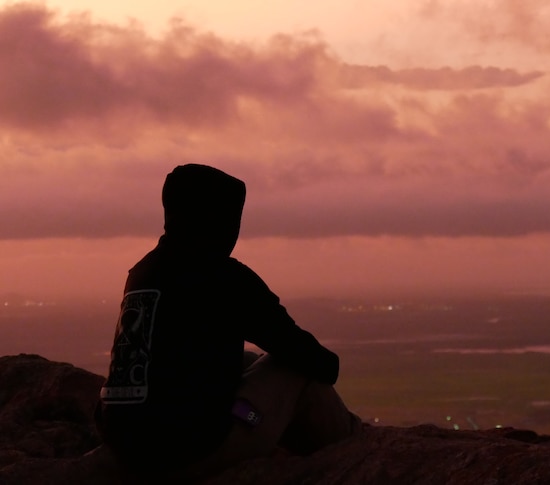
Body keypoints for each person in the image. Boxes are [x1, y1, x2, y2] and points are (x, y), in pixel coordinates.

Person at [96, 164, 361, 477]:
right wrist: (329, 362)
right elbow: (308, 357)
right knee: (294, 370)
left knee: (248, 359)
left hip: (126, 450)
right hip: (189, 453)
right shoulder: (224, 278)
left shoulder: (142, 273)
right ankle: (355, 451)